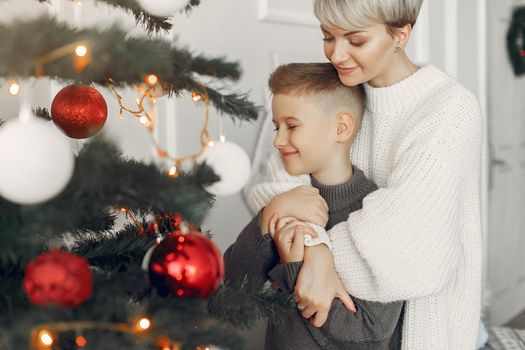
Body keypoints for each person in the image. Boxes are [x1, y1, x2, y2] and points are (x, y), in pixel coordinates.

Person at [247, 1, 483, 349]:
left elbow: (410, 245)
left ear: (401, 34)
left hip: (414, 329)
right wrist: (314, 248)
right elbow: (278, 182)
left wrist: (315, 251)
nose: (337, 54)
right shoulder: (339, 88)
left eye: (356, 41)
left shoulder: (449, 109)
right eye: (328, 36)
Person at [224, 62, 405, 349]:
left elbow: (371, 332)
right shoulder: (282, 201)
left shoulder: (378, 213)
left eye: (292, 126)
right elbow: (230, 290)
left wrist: (295, 268)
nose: (278, 140)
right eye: (276, 127)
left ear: (341, 128)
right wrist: (268, 216)